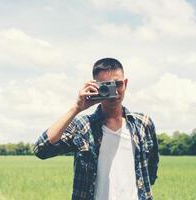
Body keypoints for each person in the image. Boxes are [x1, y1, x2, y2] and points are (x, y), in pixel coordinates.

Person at [33, 58, 159, 200]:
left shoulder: (143, 124)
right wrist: (76, 108)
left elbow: (151, 171)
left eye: (118, 84)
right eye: (106, 86)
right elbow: (41, 149)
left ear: (125, 84)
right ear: (95, 87)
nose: (114, 91)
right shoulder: (82, 127)